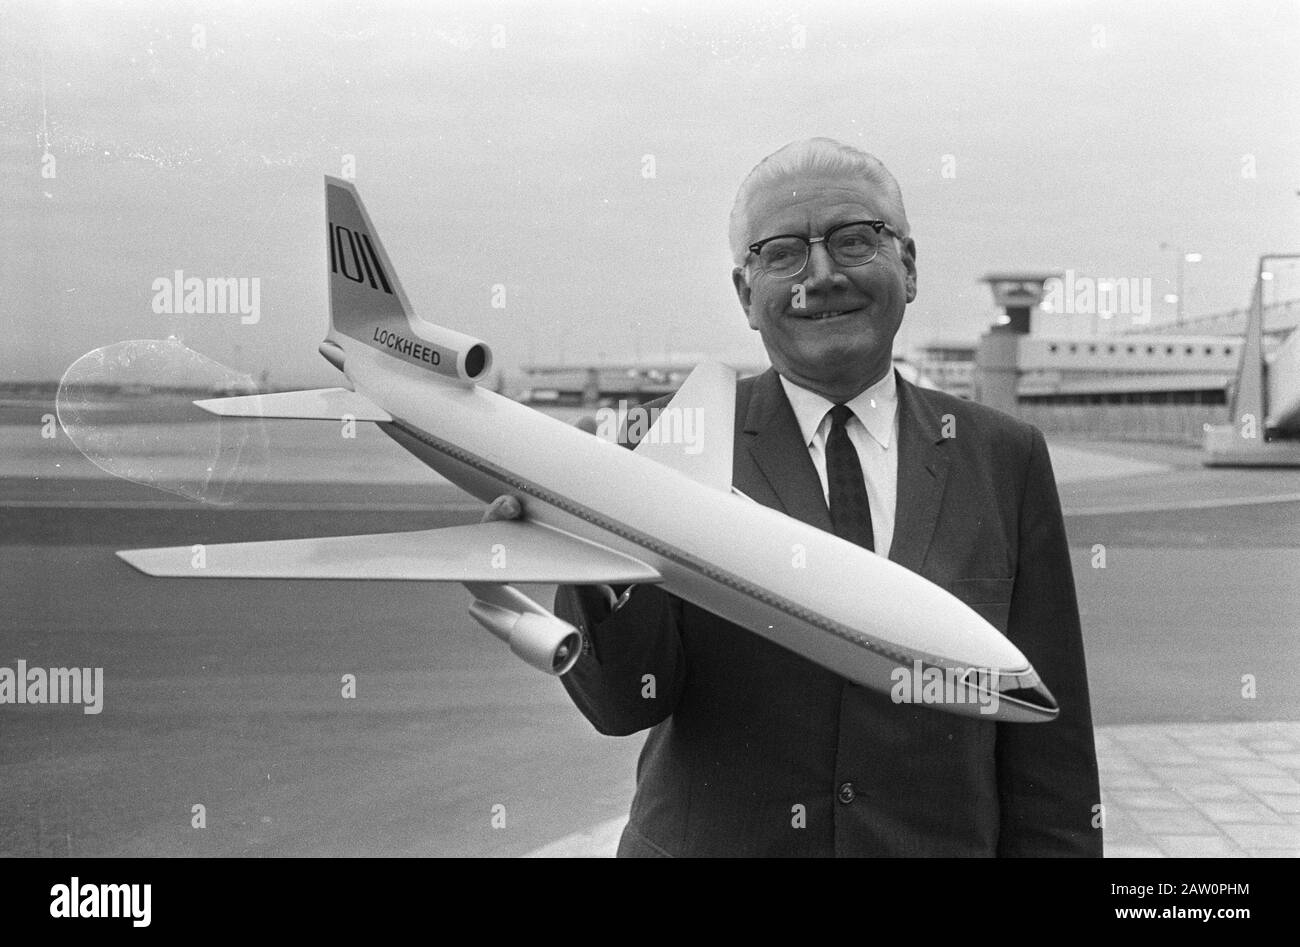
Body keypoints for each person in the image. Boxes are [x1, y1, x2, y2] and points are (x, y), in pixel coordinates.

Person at [536, 138, 1101, 856]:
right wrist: (592, 544)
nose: (823, 274)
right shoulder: (660, 443)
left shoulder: (1003, 456)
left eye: (855, 240)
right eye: (782, 254)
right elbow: (623, 703)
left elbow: (1050, 744)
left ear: (909, 266)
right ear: (746, 294)